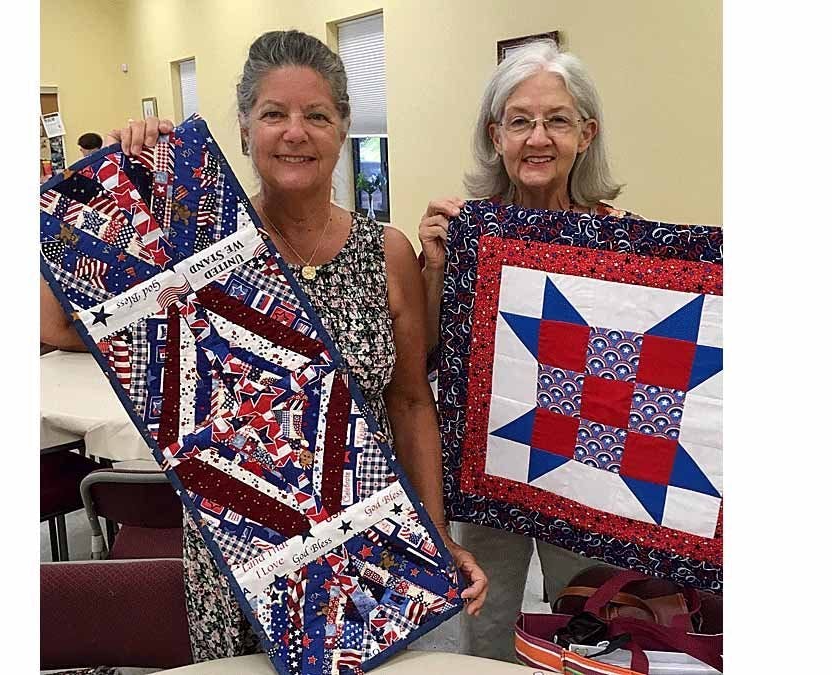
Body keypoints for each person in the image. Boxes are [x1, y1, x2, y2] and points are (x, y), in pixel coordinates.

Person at [42, 29, 488, 664]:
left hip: (364, 552)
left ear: (343, 130)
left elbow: (412, 403)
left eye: (317, 115)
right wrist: (99, 191)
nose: (295, 132)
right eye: (273, 114)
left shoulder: (387, 253)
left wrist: (435, 535)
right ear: (246, 131)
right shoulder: (195, 249)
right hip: (238, 557)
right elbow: (55, 324)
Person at [418, 40, 640, 662]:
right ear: (496, 135)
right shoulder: (467, 233)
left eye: (557, 120)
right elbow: (426, 355)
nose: (537, 137)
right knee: (483, 630)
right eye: (520, 121)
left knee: (589, 624)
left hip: (589, 467)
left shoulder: (620, 238)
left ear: (585, 134)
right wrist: (437, 267)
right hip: (494, 462)